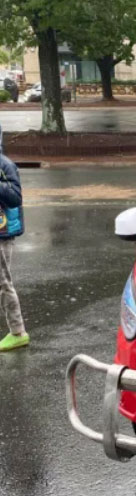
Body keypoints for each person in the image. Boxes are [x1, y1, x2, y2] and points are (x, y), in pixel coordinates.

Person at [0, 124, 29, 351]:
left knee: (3, 282)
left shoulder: (5, 165)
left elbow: (14, 197)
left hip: (2, 233)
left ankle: (17, 331)